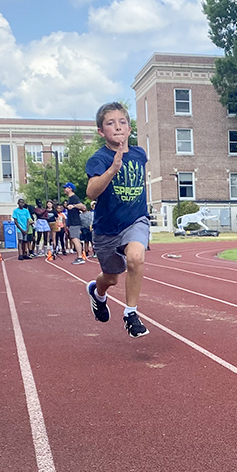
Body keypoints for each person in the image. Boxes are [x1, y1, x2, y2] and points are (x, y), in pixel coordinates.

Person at [84, 101, 150, 338]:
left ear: (130, 129)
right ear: (101, 132)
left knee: (136, 256)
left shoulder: (140, 154)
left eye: (122, 122)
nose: (118, 127)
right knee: (111, 277)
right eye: (111, 123)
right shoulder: (99, 159)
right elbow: (91, 192)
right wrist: (113, 169)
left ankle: (130, 313)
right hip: (107, 229)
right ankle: (97, 293)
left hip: (135, 221)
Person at [63, 182, 86, 263]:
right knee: (74, 239)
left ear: (70, 188)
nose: (64, 189)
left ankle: (80, 257)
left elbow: (83, 207)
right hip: (72, 222)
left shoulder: (73, 198)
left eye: (65, 188)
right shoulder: (71, 198)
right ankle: (80, 256)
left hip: (75, 222)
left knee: (75, 239)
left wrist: (74, 206)